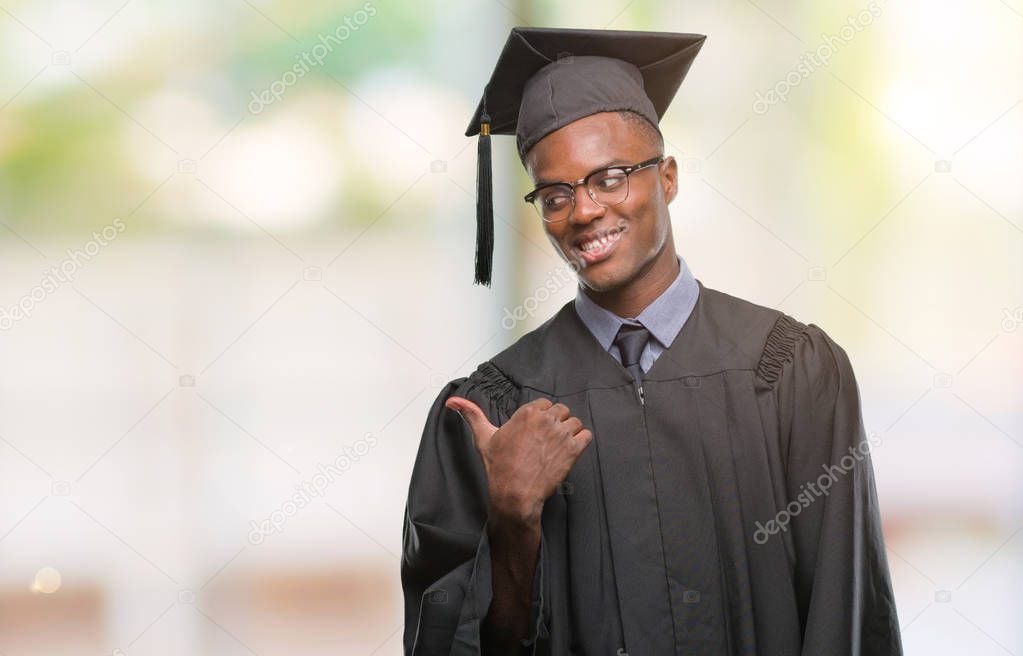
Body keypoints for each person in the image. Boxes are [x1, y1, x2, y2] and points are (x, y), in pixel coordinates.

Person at [401, 26, 903, 655]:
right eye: (556, 195)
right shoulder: (495, 408)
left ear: (667, 178)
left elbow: (846, 618)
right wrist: (511, 520)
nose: (583, 211)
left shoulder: (790, 371)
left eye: (610, 178)